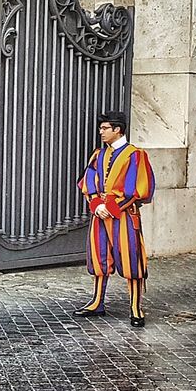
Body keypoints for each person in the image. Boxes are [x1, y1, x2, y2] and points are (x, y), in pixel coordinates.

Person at [74, 111, 156, 326]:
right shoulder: (98, 155)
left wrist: (109, 207)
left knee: (131, 258)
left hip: (124, 215)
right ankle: (97, 302)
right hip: (100, 214)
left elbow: (137, 189)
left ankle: (136, 307)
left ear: (117, 129)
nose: (101, 132)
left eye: (105, 128)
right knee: (99, 256)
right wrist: (96, 204)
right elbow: (88, 180)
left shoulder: (135, 155)